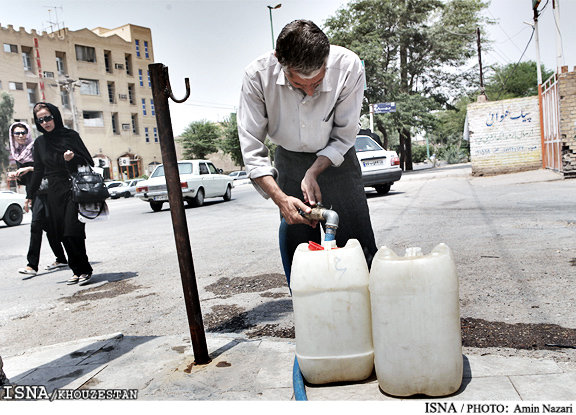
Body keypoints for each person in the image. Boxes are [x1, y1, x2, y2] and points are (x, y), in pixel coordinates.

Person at [237, 19, 378, 283]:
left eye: (318, 81)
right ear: (281, 61)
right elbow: (252, 151)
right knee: (300, 253)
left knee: (359, 249)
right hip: (288, 161)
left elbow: (345, 133)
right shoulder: (257, 76)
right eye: (300, 84)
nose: (310, 92)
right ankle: (311, 313)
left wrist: (314, 171)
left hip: (338, 160)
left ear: (326, 59)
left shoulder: (348, 66)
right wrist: (281, 199)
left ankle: (366, 312)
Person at [26, 102, 94, 286]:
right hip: (53, 192)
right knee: (61, 233)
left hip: (73, 187)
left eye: (48, 118)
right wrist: (29, 194)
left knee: (73, 230)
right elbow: (39, 170)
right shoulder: (39, 143)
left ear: (55, 116)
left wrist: (72, 159)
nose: (45, 122)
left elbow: (88, 161)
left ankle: (85, 269)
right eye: (40, 120)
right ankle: (76, 270)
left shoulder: (71, 136)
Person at [8, 121, 68, 276]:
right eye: (17, 133)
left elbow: (48, 167)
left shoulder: (36, 146)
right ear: (12, 136)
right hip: (35, 192)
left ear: (28, 133)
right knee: (49, 228)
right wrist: (17, 175)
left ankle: (32, 266)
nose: (21, 136)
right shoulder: (17, 153)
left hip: (48, 191)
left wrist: (28, 168)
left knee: (36, 226)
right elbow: (27, 179)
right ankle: (61, 258)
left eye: (23, 132)